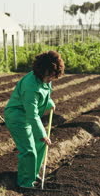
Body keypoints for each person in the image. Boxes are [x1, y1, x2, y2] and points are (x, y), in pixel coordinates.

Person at [4, 51, 65, 188]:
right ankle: (25, 183)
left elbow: (45, 94)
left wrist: (49, 103)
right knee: (29, 150)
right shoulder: (30, 86)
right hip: (18, 116)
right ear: (43, 71)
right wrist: (42, 134)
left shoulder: (44, 79)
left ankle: (33, 173)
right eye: (50, 76)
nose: (51, 80)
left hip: (28, 115)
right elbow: (32, 114)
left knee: (40, 144)